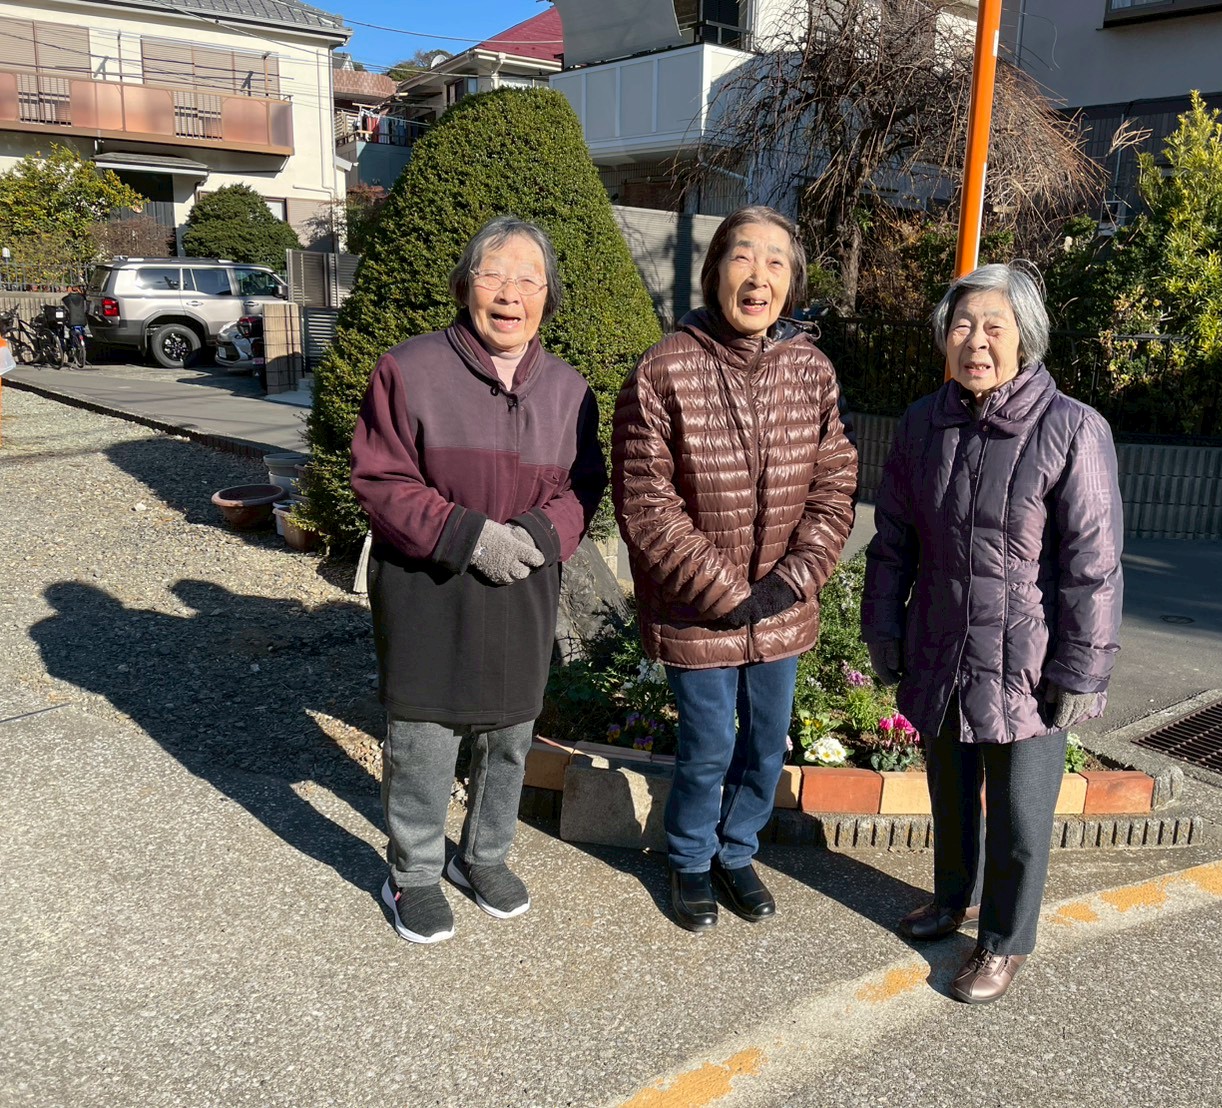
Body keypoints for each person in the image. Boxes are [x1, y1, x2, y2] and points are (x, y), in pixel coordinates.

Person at [861, 262, 1123, 1003]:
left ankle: (1004, 943)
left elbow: (1093, 566)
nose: (974, 341)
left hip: (1028, 662)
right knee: (949, 791)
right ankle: (952, 900)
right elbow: (893, 544)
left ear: (1024, 338)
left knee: (1017, 816)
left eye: (992, 327)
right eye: (961, 326)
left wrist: (1082, 671)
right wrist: (884, 631)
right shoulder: (922, 423)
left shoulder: (1072, 427)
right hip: (941, 646)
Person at [350, 215, 605, 943]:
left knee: (509, 733)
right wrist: (468, 536)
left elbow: (586, 485)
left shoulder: (567, 389)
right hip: (428, 582)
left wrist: (532, 536)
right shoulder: (410, 368)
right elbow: (380, 477)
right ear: (465, 285)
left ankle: (483, 857)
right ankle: (414, 873)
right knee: (423, 739)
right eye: (494, 274)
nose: (510, 292)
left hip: (524, 583)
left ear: (548, 298)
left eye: (529, 278)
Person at [613, 205, 858, 933]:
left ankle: (736, 850)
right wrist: (725, 592)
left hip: (783, 605)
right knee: (707, 746)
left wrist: (791, 581)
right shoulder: (665, 368)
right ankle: (688, 860)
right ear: (715, 269)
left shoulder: (810, 369)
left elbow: (834, 481)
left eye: (776, 262)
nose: (758, 276)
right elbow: (644, 499)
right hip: (699, 610)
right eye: (742, 258)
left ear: (792, 282)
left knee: (764, 742)